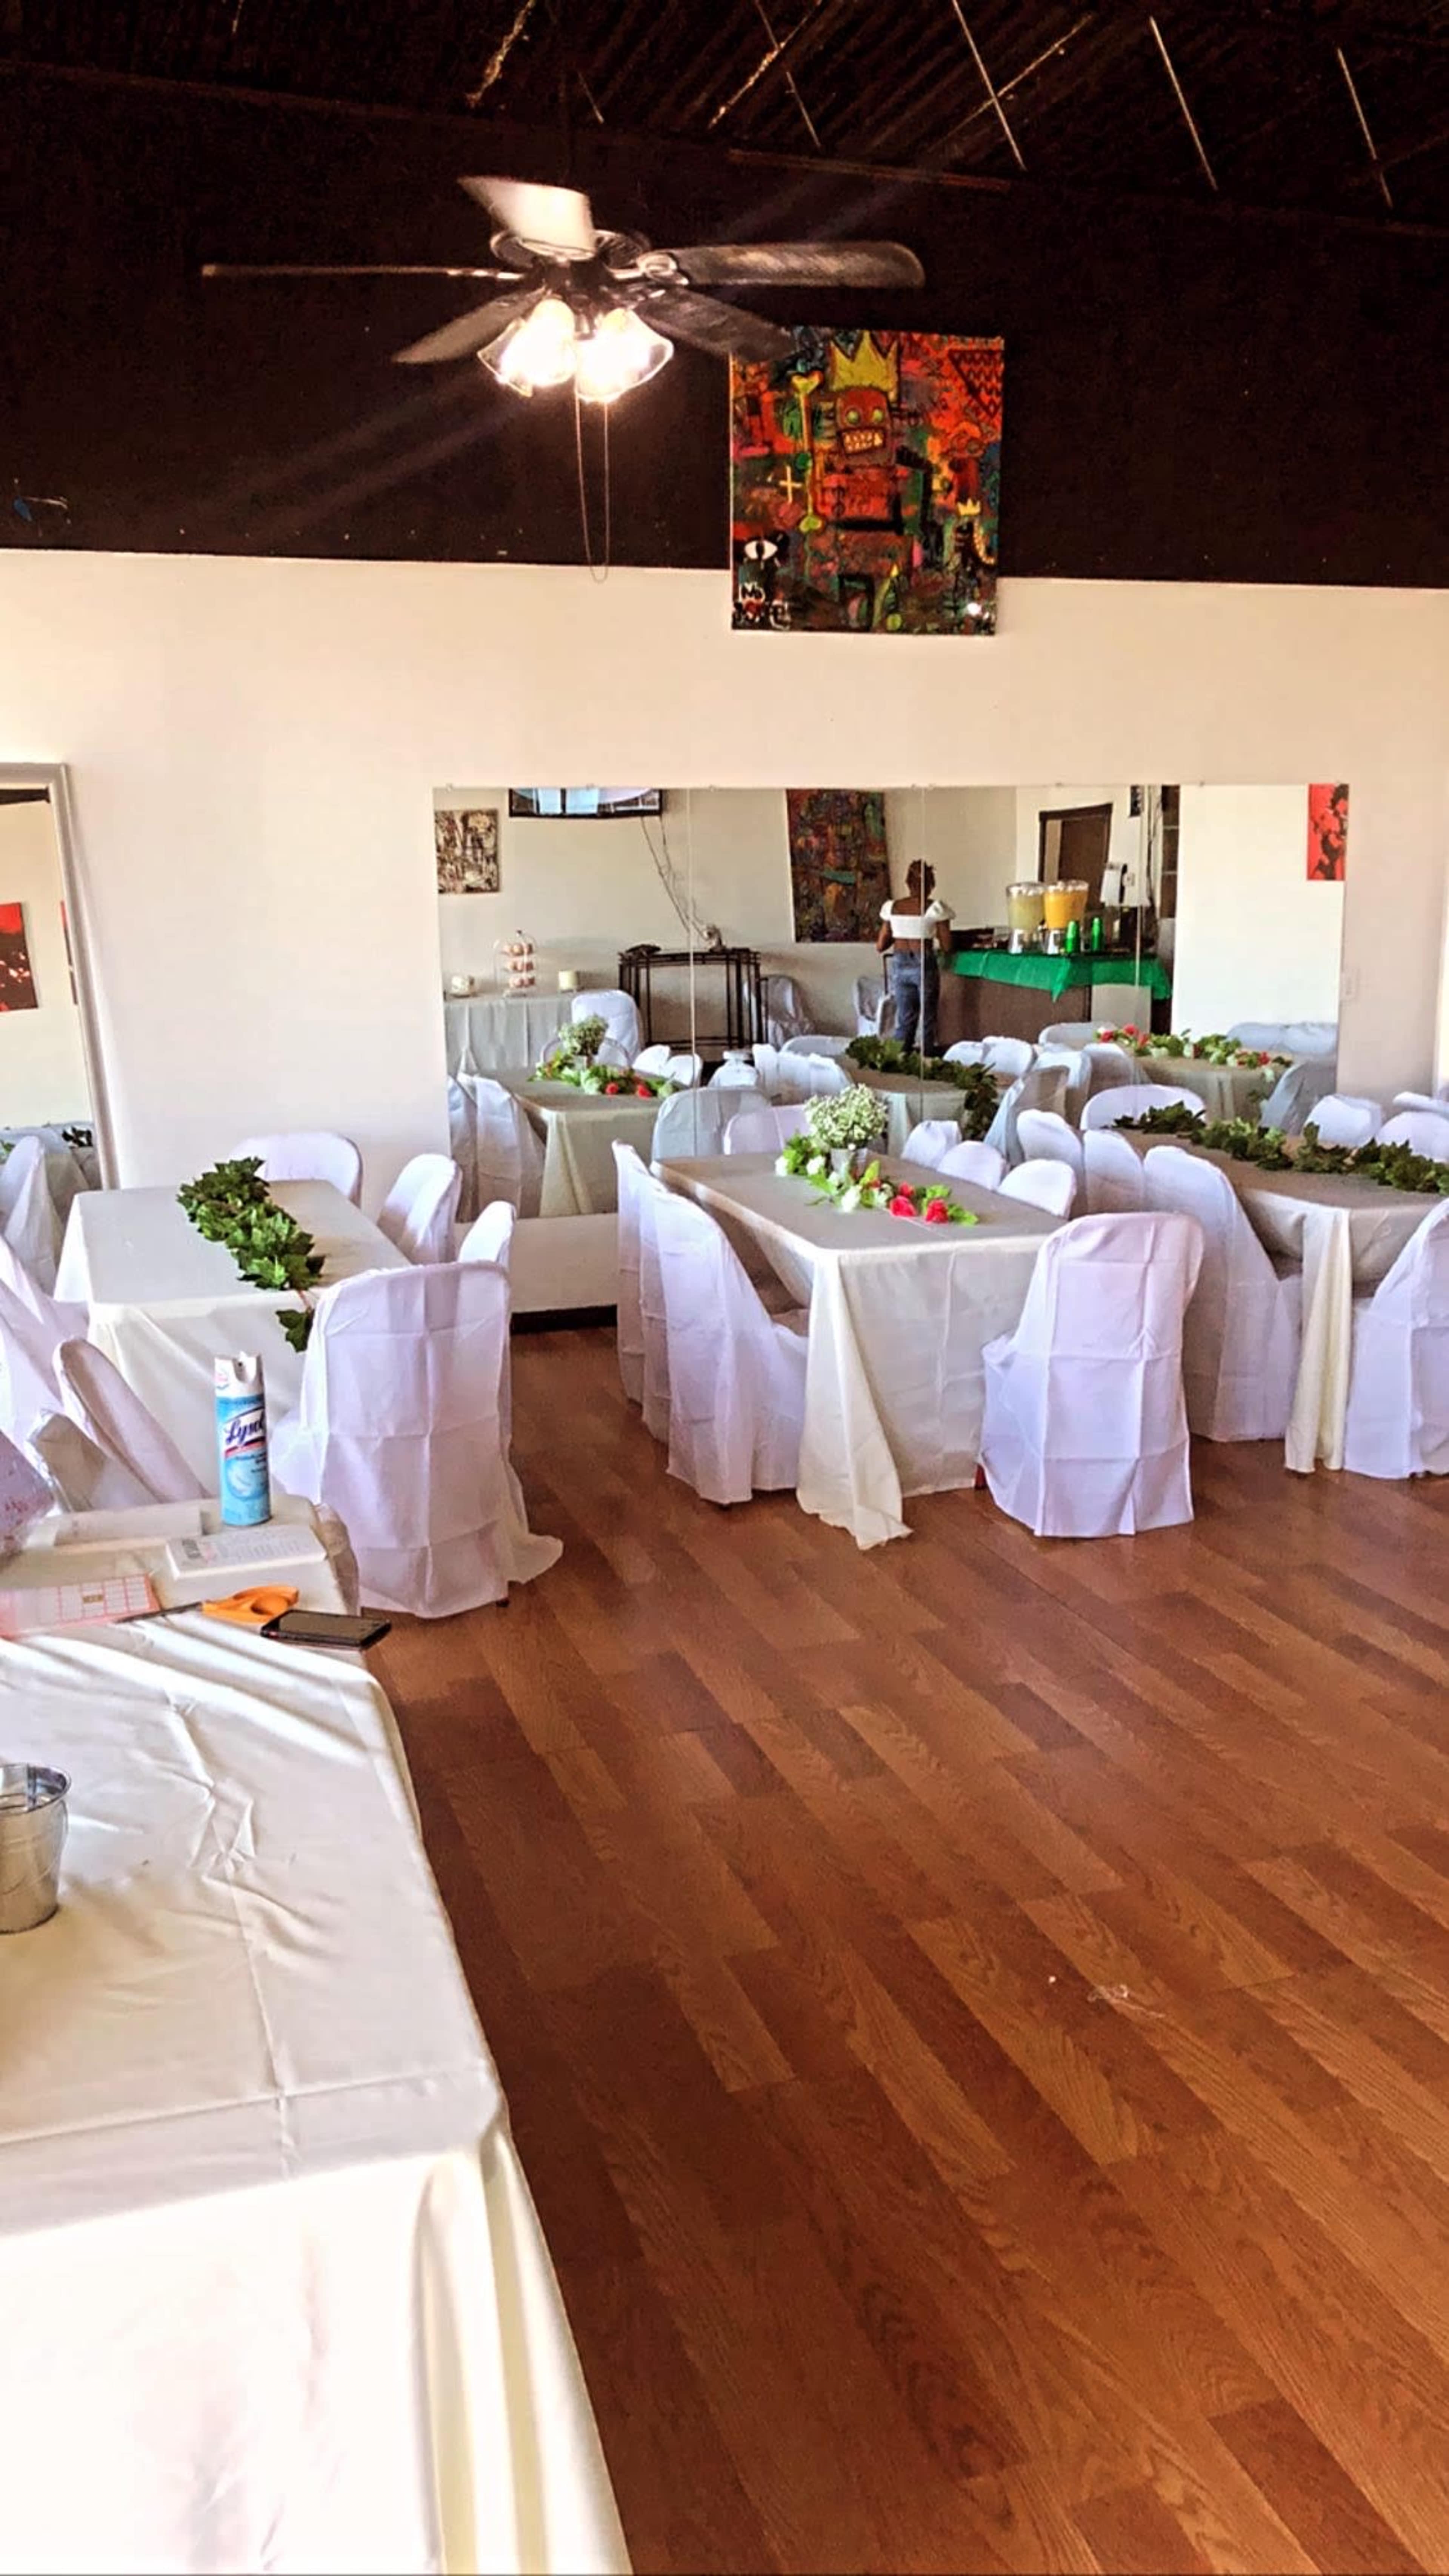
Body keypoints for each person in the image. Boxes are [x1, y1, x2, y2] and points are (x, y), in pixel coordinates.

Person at [876, 861, 954, 1057]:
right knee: (927, 1018)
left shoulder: (892, 908)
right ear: (931, 885)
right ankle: (927, 1061)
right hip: (924, 964)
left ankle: (900, 1059)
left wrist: (901, 931)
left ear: (907, 883)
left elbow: (881, 946)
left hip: (900, 964)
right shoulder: (936, 909)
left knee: (905, 1018)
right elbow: (947, 946)